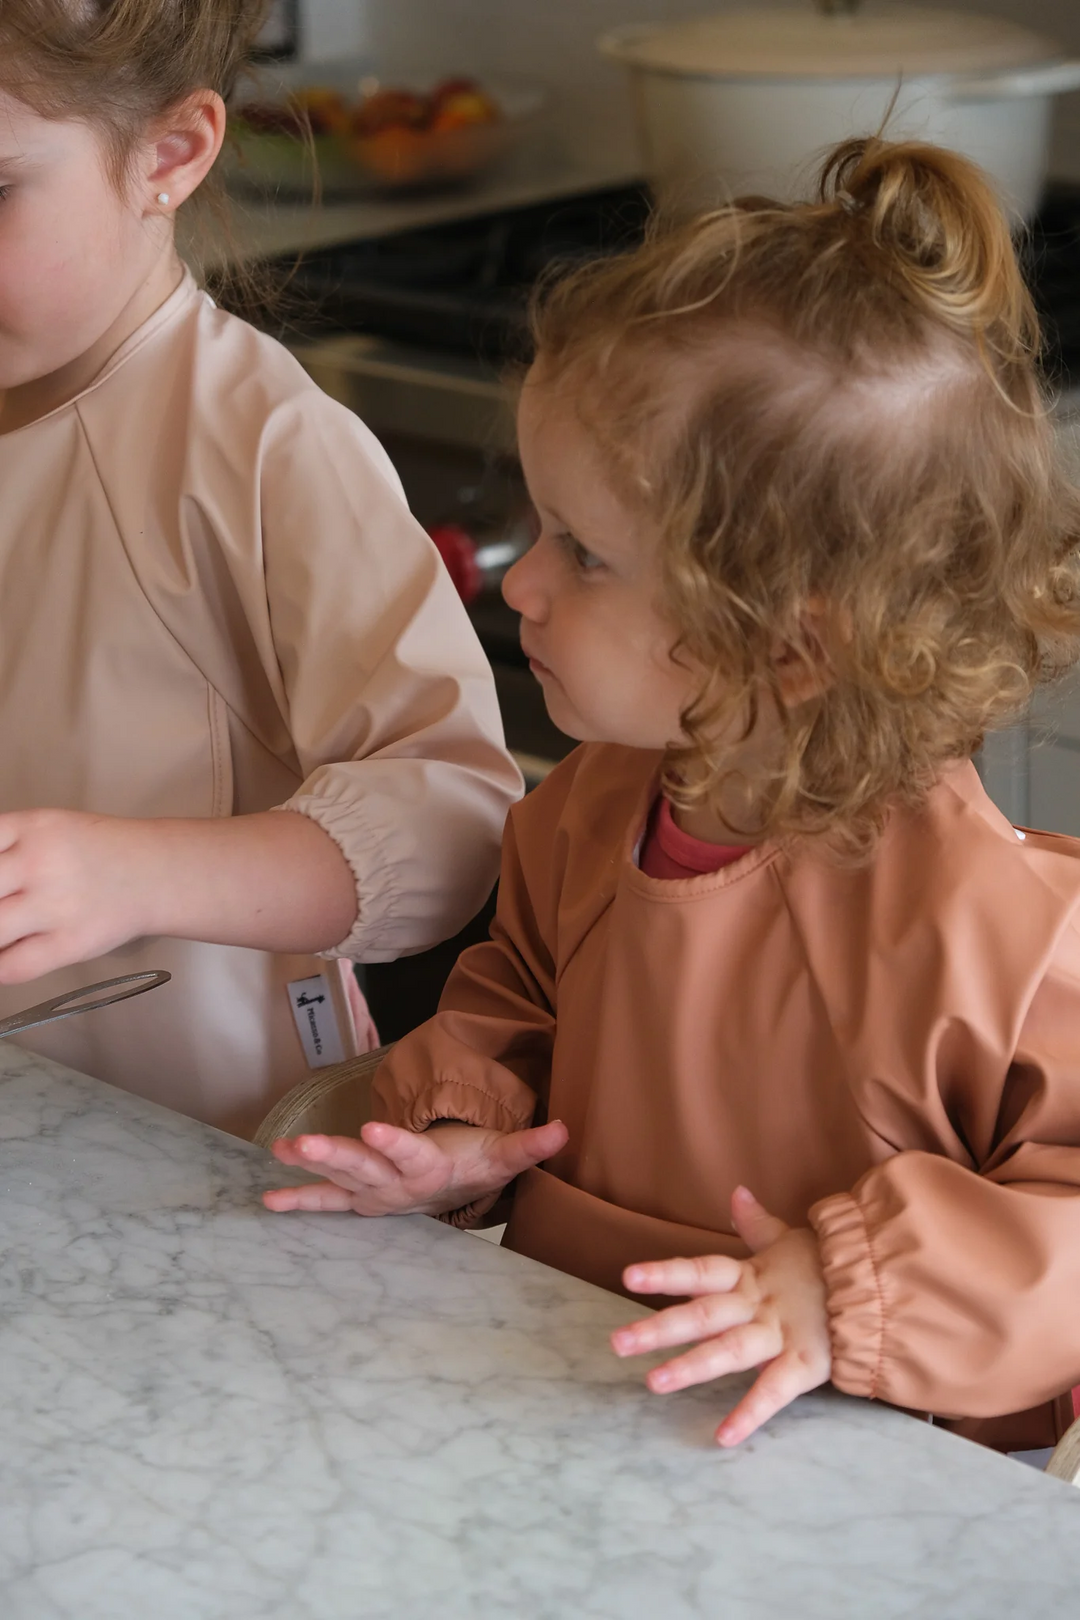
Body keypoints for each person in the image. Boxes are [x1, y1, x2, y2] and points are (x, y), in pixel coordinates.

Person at [265, 135, 1080, 1454]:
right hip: (569, 1413)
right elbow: (513, 1006)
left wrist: (841, 1291)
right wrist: (464, 1124)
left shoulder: (1007, 929)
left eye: (584, 555)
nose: (519, 585)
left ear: (792, 645)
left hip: (856, 1500)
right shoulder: (581, 817)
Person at [0, 0, 521, 1138]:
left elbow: (455, 816)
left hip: (208, 1153)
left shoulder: (258, 445)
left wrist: (131, 877)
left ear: (169, 156)